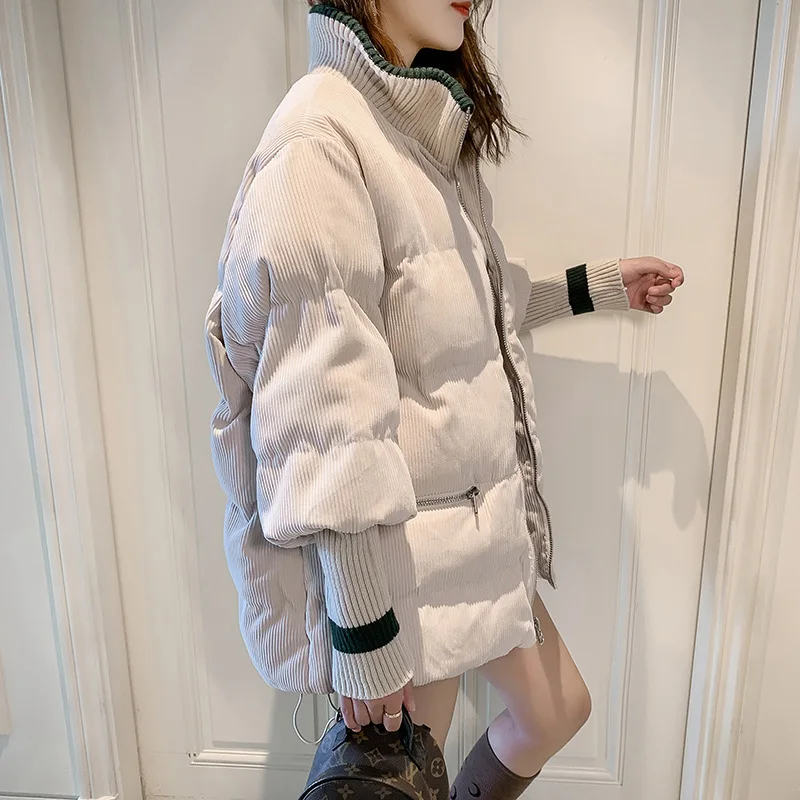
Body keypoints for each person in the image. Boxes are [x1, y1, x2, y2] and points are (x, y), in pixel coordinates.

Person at [203, 1, 685, 797]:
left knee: (555, 710)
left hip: (463, 534)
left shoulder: (417, 134)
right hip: (399, 563)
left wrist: (595, 288)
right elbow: (322, 418)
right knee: (401, 778)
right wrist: (365, 633)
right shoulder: (320, 142)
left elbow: (465, 313)